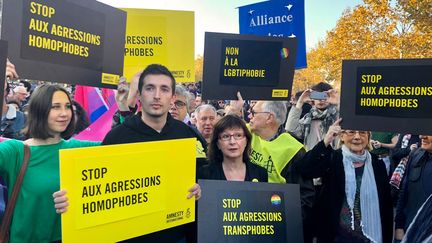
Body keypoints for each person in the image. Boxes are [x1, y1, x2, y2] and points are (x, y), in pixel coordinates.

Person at [56, 64, 201, 243]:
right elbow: (98, 190)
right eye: (150, 88)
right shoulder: (117, 137)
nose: (157, 95)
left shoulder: (186, 135)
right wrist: (72, 199)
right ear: (139, 95)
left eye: (164, 89)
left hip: (176, 235)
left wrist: (198, 190)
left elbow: (197, 178)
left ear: (172, 97)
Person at [0, 84, 100, 243]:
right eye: (55, 107)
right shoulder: (15, 152)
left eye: (68, 106)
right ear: (39, 110)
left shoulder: (78, 149)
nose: (64, 113)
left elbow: (125, 147)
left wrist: (124, 108)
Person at [298, 119, 393, 243]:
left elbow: (386, 205)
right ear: (342, 136)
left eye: (362, 133)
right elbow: (306, 169)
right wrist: (326, 141)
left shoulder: (377, 164)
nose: (357, 137)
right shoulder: (333, 158)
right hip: (337, 236)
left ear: (368, 137)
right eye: (351, 132)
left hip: (370, 236)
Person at [198, 115, 267, 182]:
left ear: (246, 141)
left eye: (238, 135)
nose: (232, 142)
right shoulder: (205, 174)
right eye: (226, 136)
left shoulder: (260, 173)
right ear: (217, 143)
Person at [394, 135, 432, 242]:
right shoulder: (415, 155)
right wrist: (399, 226)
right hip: (410, 229)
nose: (422, 136)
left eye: (429, 133)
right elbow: (404, 192)